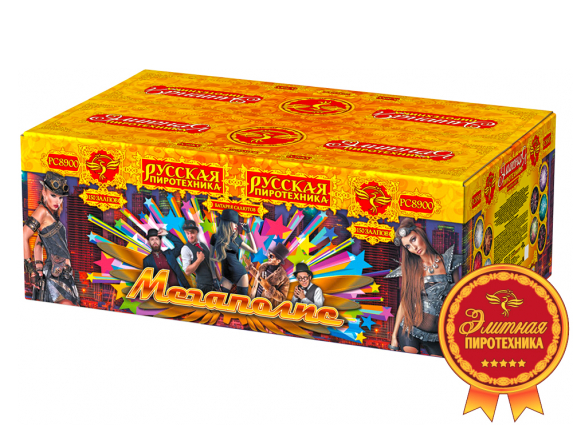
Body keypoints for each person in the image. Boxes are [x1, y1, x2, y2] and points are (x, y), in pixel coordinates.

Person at [385, 218, 462, 356]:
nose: (414, 248)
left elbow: (459, 300)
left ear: (421, 233)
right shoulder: (411, 270)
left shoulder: (449, 262)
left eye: (413, 239)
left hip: (437, 336)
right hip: (410, 330)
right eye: (408, 246)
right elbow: (404, 302)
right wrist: (394, 336)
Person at [22, 171, 80, 305]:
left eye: (60, 197)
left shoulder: (52, 214)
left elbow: (38, 244)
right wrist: (31, 270)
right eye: (53, 195)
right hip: (55, 274)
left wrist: (38, 267)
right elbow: (23, 235)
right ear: (44, 192)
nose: (57, 201)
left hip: (65, 274)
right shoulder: (42, 211)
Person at [210, 209, 257, 295]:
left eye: (237, 223)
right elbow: (211, 259)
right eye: (234, 223)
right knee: (221, 299)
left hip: (241, 274)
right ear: (227, 223)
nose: (236, 226)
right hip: (226, 276)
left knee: (242, 301)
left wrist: (248, 232)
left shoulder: (236, 239)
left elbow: (254, 250)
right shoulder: (215, 237)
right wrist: (214, 278)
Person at [248, 242, 290, 306]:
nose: (268, 257)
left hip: (265, 307)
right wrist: (249, 266)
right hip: (252, 301)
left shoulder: (284, 279)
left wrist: (268, 288)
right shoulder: (263, 268)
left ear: (278, 260)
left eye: (271, 256)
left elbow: (282, 298)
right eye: (269, 255)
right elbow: (257, 275)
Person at [181, 219, 216, 293]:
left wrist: (218, 280)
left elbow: (212, 263)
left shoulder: (203, 245)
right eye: (187, 233)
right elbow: (187, 271)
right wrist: (199, 260)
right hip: (203, 286)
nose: (190, 236)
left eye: (192, 233)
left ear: (196, 232)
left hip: (214, 283)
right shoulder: (185, 249)